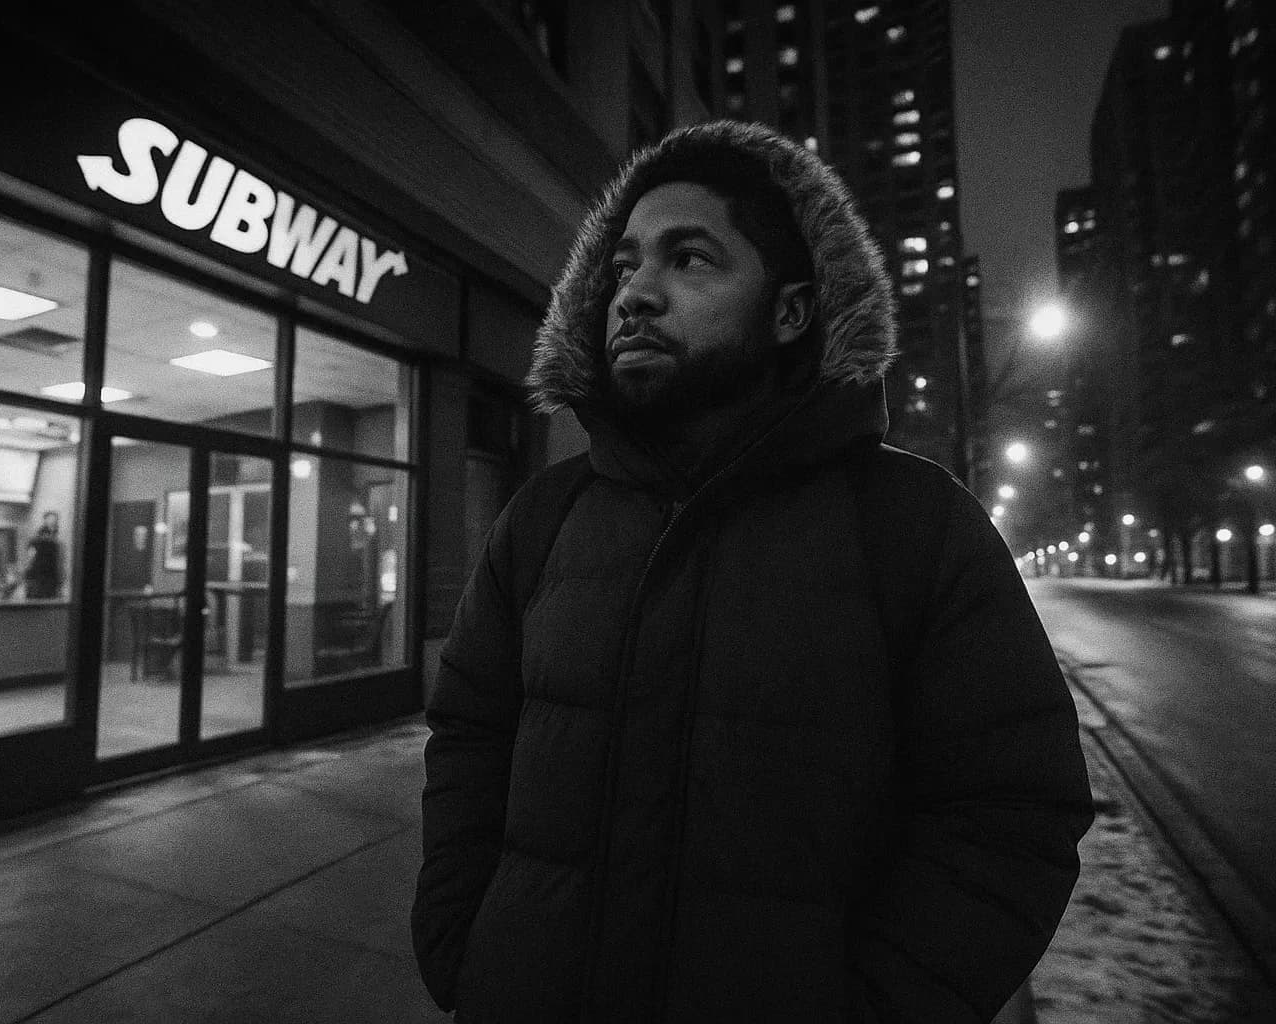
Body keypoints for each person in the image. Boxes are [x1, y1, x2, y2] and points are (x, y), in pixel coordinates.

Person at [412, 121, 1093, 1023]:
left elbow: (1013, 810)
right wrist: (467, 946)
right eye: (622, 268)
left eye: (690, 260)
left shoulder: (912, 528)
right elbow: (469, 735)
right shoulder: (543, 520)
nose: (636, 295)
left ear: (791, 310)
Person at [22, 511, 62, 599]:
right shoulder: (38, 540)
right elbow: (30, 557)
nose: (53, 522)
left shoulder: (54, 540)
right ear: (45, 520)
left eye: (55, 520)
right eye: (50, 519)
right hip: (39, 579)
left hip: (48, 579)